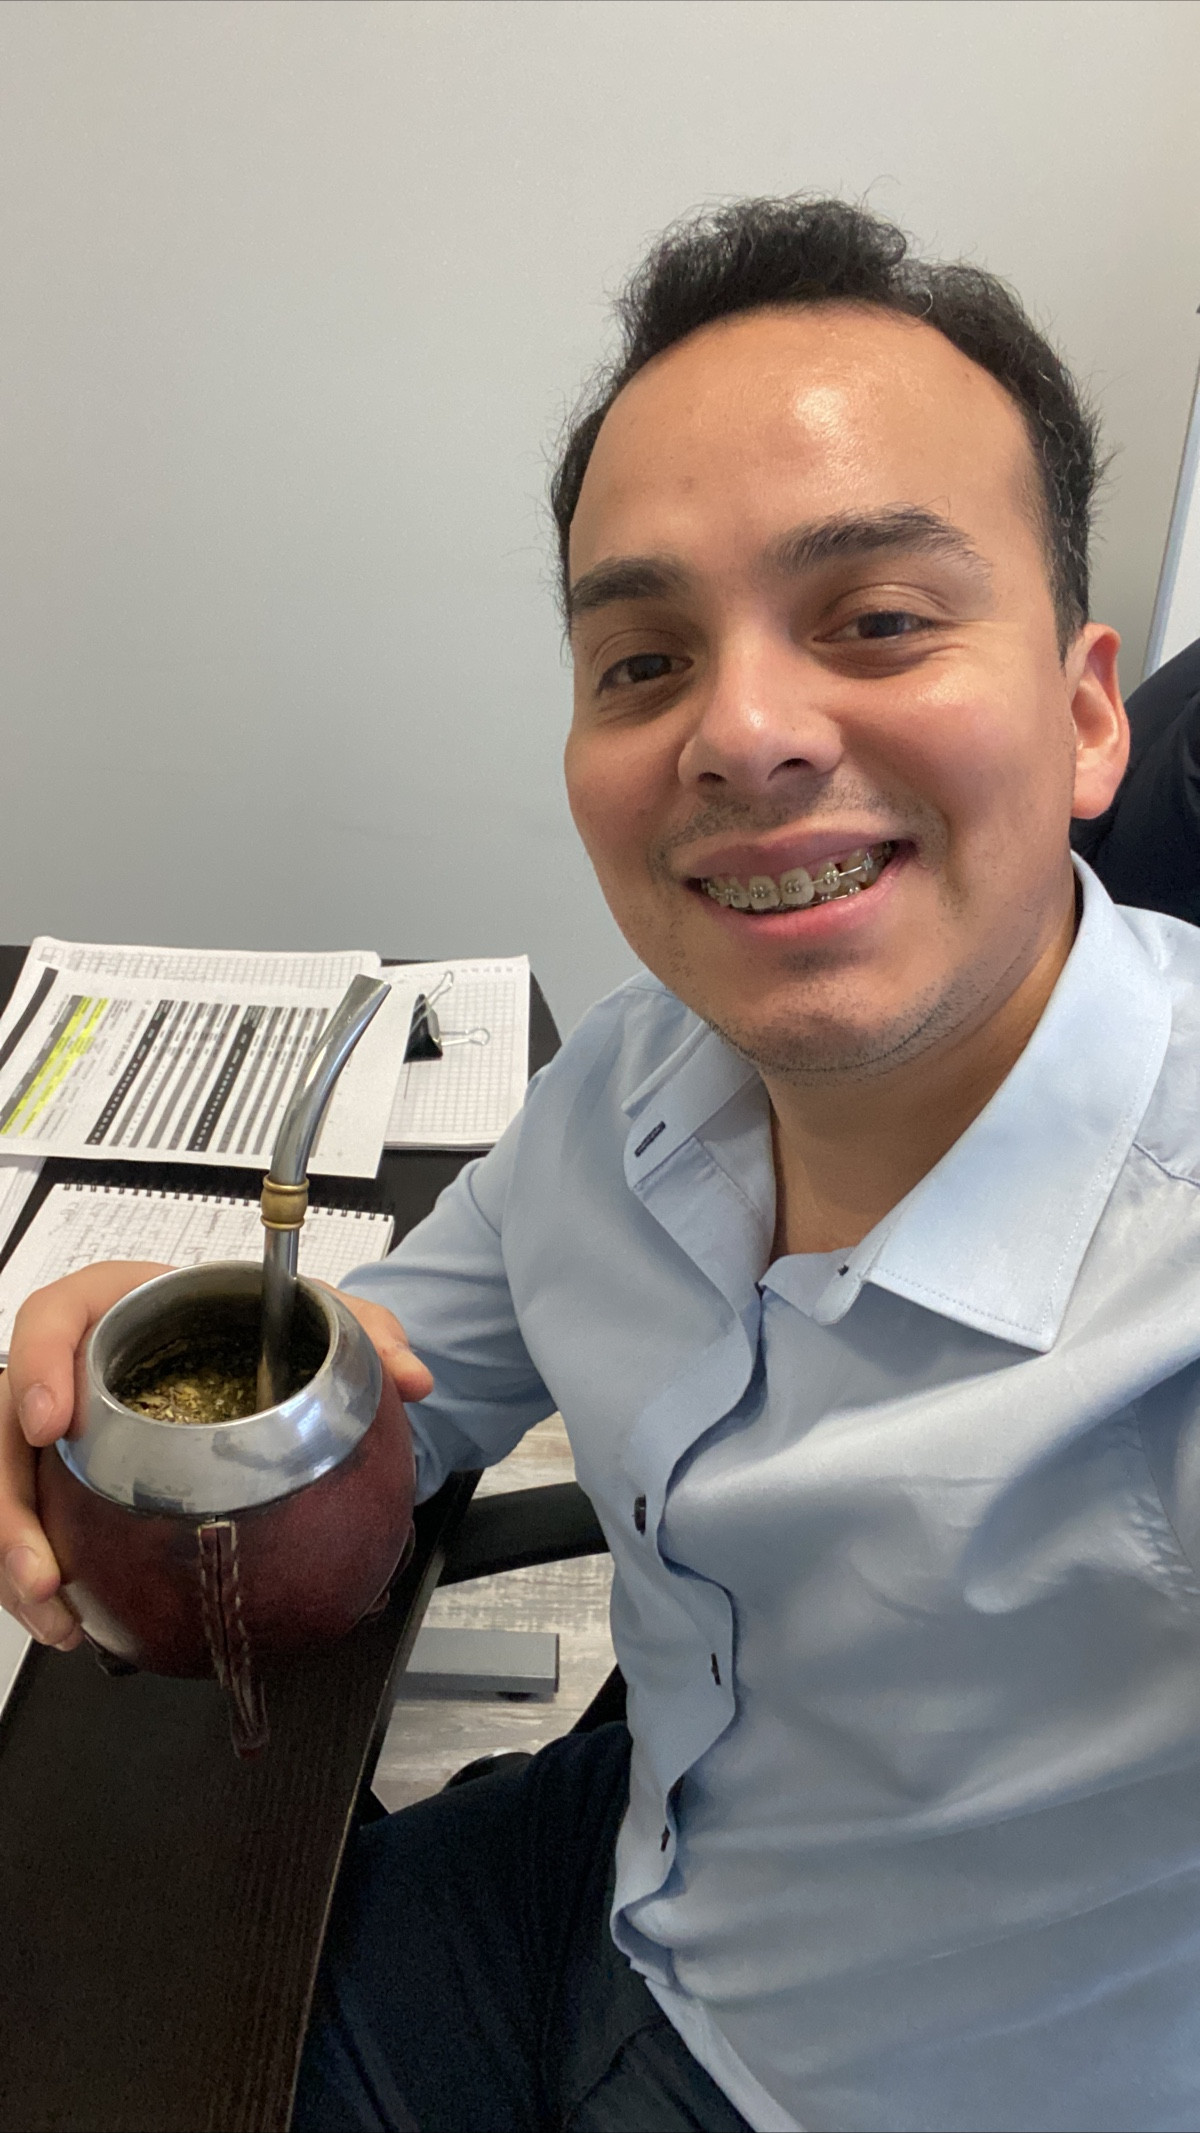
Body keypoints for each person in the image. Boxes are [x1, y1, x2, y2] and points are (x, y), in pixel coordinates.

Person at [3, 195, 1200, 2133]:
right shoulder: (637, 1073)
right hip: (622, 1858)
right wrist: (137, 1384)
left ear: (1082, 715)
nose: (742, 730)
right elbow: (388, 1387)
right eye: (643, 660)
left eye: (878, 619)